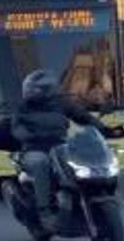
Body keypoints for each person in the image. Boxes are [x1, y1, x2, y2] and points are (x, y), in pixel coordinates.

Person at [11, 69, 107, 222]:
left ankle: (92, 195)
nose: (32, 92)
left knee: (83, 162)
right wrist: (26, 135)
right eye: (30, 89)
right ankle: (45, 210)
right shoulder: (23, 107)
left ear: (48, 90)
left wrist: (101, 127)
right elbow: (16, 127)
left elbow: (82, 116)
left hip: (61, 146)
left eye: (36, 89)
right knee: (41, 164)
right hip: (34, 148)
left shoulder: (61, 103)